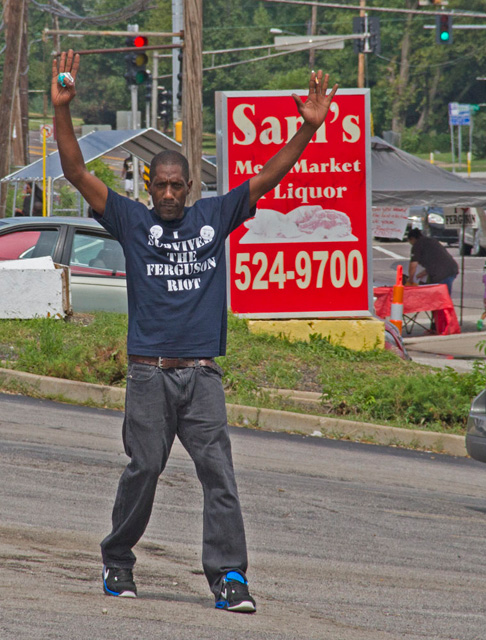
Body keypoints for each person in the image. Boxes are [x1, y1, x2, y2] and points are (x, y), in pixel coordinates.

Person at [52, 49, 337, 613]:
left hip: (202, 375)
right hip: (149, 373)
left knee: (219, 476)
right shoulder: (131, 220)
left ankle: (230, 577)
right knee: (145, 468)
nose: (169, 194)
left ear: (190, 186)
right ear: (149, 185)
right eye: (161, 185)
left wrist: (307, 128)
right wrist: (63, 111)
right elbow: (76, 172)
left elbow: (269, 176)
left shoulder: (215, 217)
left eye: (178, 185)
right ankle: (118, 560)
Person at [406, 228, 459, 295]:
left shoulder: (417, 245)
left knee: (443, 297)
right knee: (442, 296)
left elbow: (413, 264)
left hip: (442, 273)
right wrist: (424, 273)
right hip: (451, 268)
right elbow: (435, 260)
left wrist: (411, 279)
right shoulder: (430, 240)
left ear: (412, 238)